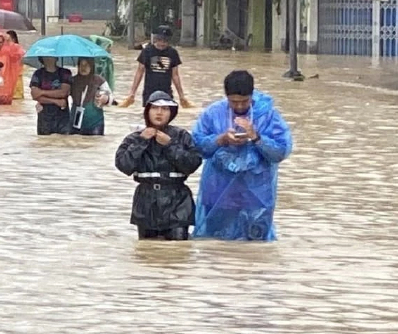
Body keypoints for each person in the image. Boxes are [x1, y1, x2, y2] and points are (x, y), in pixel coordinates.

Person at [190, 70, 293, 241]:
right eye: (233, 102)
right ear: (226, 97)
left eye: (244, 101)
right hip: (218, 191)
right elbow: (197, 146)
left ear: (252, 95)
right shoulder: (212, 113)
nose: (239, 106)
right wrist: (221, 139)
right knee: (215, 245)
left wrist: (256, 137)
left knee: (255, 247)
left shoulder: (268, 115)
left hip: (256, 194)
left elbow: (281, 151)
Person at [114, 91, 202, 240]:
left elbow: (192, 164)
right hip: (145, 202)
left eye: (165, 109)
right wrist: (141, 142)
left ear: (172, 113)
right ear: (147, 111)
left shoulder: (182, 136)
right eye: (154, 108)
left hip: (177, 200)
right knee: (147, 252)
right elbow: (123, 165)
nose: (159, 113)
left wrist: (169, 145)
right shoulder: (134, 138)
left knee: (177, 250)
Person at [120, 26, 193, 108]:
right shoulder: (147, 51)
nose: (162, 44)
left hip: (166, 92)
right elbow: (139, 72)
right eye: (159, 40)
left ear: (168, 41)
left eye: (165, 41)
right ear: (155, 39)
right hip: (149, 92)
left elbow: (175, 75)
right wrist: (132, 93)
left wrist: (181, 96)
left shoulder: (173, 53)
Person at [29, 56, 73, 135]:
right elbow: (35, 95)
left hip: (62, 116)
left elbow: (63, 92)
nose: (49, 58)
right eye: (46, 56)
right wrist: (56, 101)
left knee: (64, 141)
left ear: (56, 58)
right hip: (44, 116)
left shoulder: (65, 73)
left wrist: (41, 92)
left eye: (51, 56)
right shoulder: (38, 74)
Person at [70, 57, 111, 136]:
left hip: (95, 123)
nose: (83, 68)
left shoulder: (99, 80)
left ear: (91, 66)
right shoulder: (72, 81)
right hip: (75, 122)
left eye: (86, 65)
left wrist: (106, 99)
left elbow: (111, 98)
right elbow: (63, 95)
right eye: (81, 65)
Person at [7, 30, 25, 100]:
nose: (6, 42)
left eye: (8, 40)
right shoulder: (4, 49)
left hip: (16, 80)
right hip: (7, 80)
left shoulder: (19, 49)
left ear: (13, 40)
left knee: (17, 100)